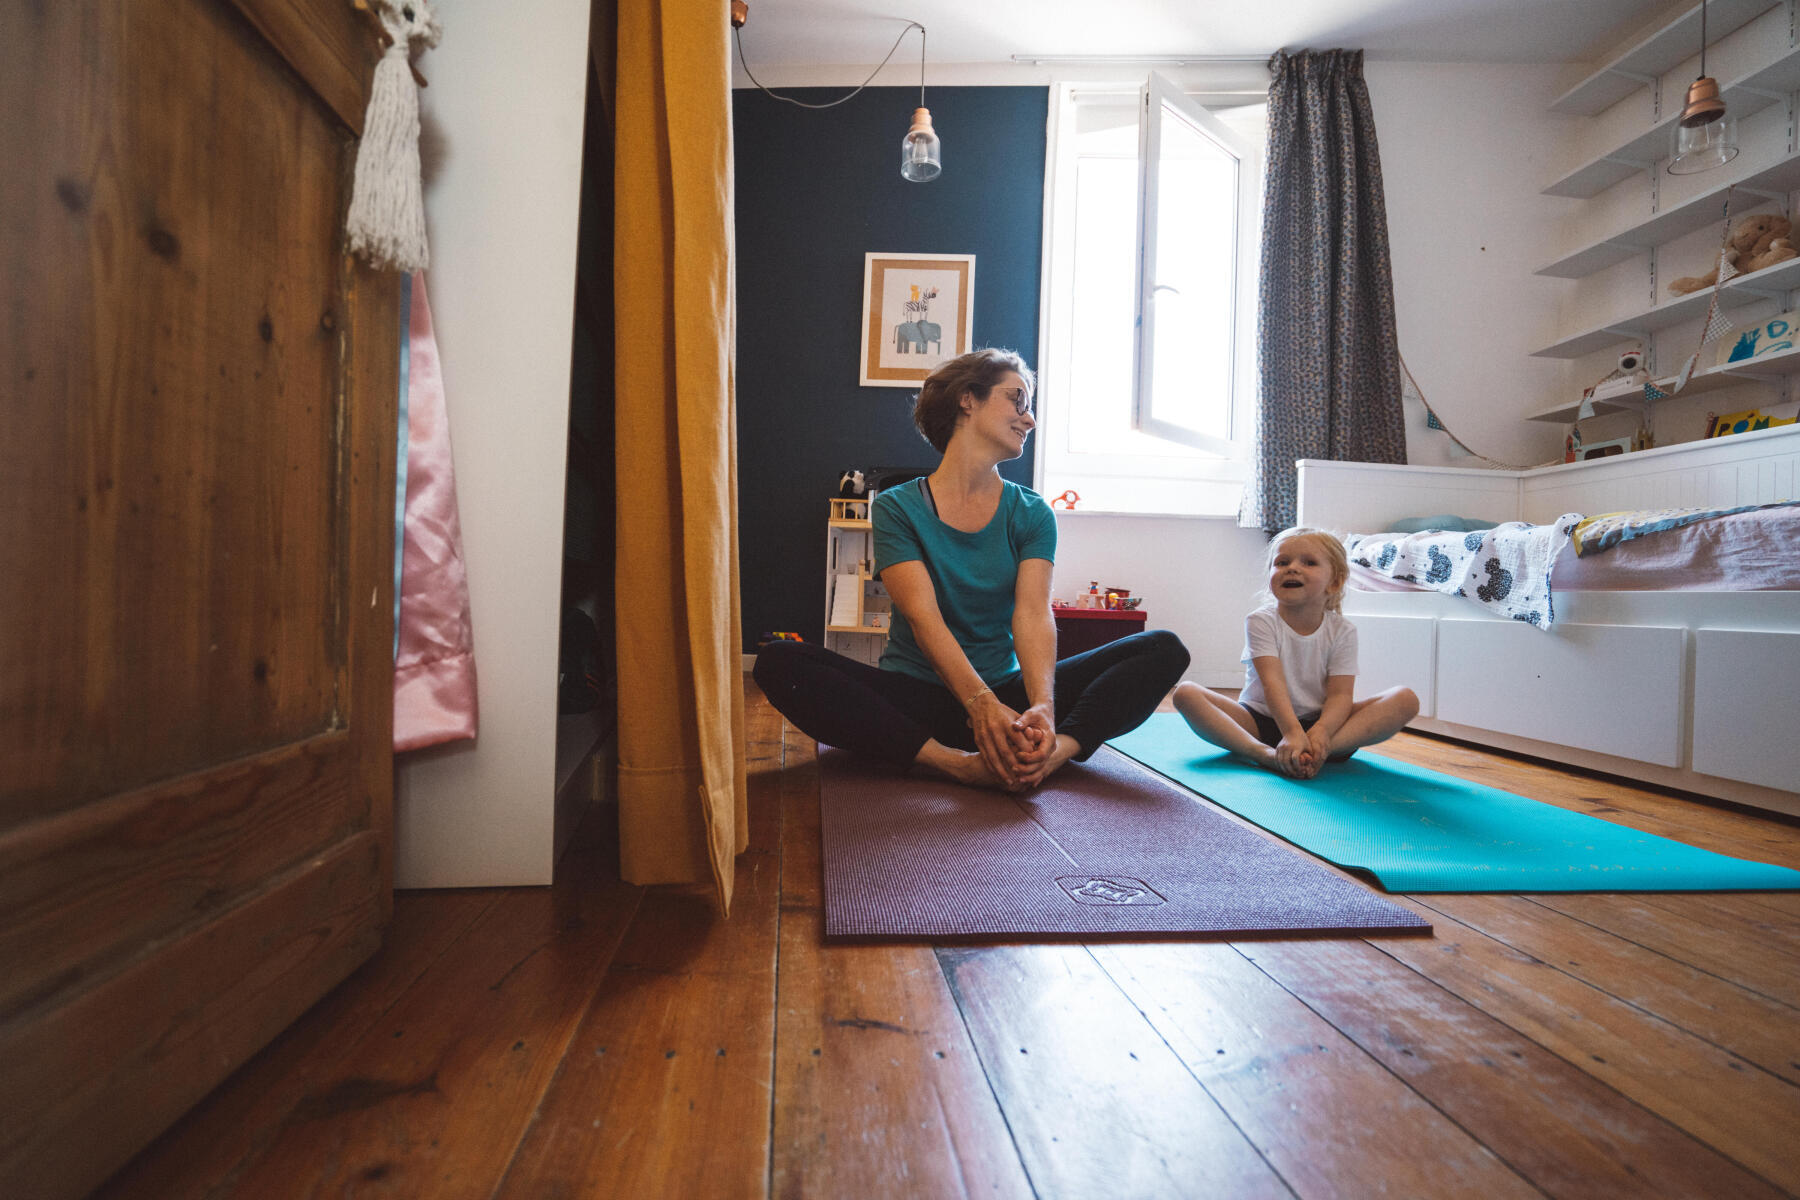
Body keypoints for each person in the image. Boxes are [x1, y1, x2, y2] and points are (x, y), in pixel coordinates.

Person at [755, 348, 1189, 791]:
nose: (1030, 419)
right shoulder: (896, 508)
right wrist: (979, 704)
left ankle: (1054, 754)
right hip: (915, 701)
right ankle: (954, 764)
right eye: (1018, 399)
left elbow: (1033, 613)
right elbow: (925, 619)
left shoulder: (1033, 512)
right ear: (968, 399)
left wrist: (1042, 706)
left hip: (1008, 698)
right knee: (778, 660)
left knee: (1164, 649)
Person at [1173, 526, 1418, 779]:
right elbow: (1273, 684)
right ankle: (1264, 755)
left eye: (1309, 562)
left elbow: (1340, 695)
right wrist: (1290, 731)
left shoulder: (1343, 631)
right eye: (1281, 562)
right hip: (1260, 722)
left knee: (1405, 699)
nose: (1292, 568)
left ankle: (1314, 752)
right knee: (1186, 693)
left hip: (1323, 726)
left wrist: (1321, 732)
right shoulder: (1260, 621)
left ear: (1334, 581)